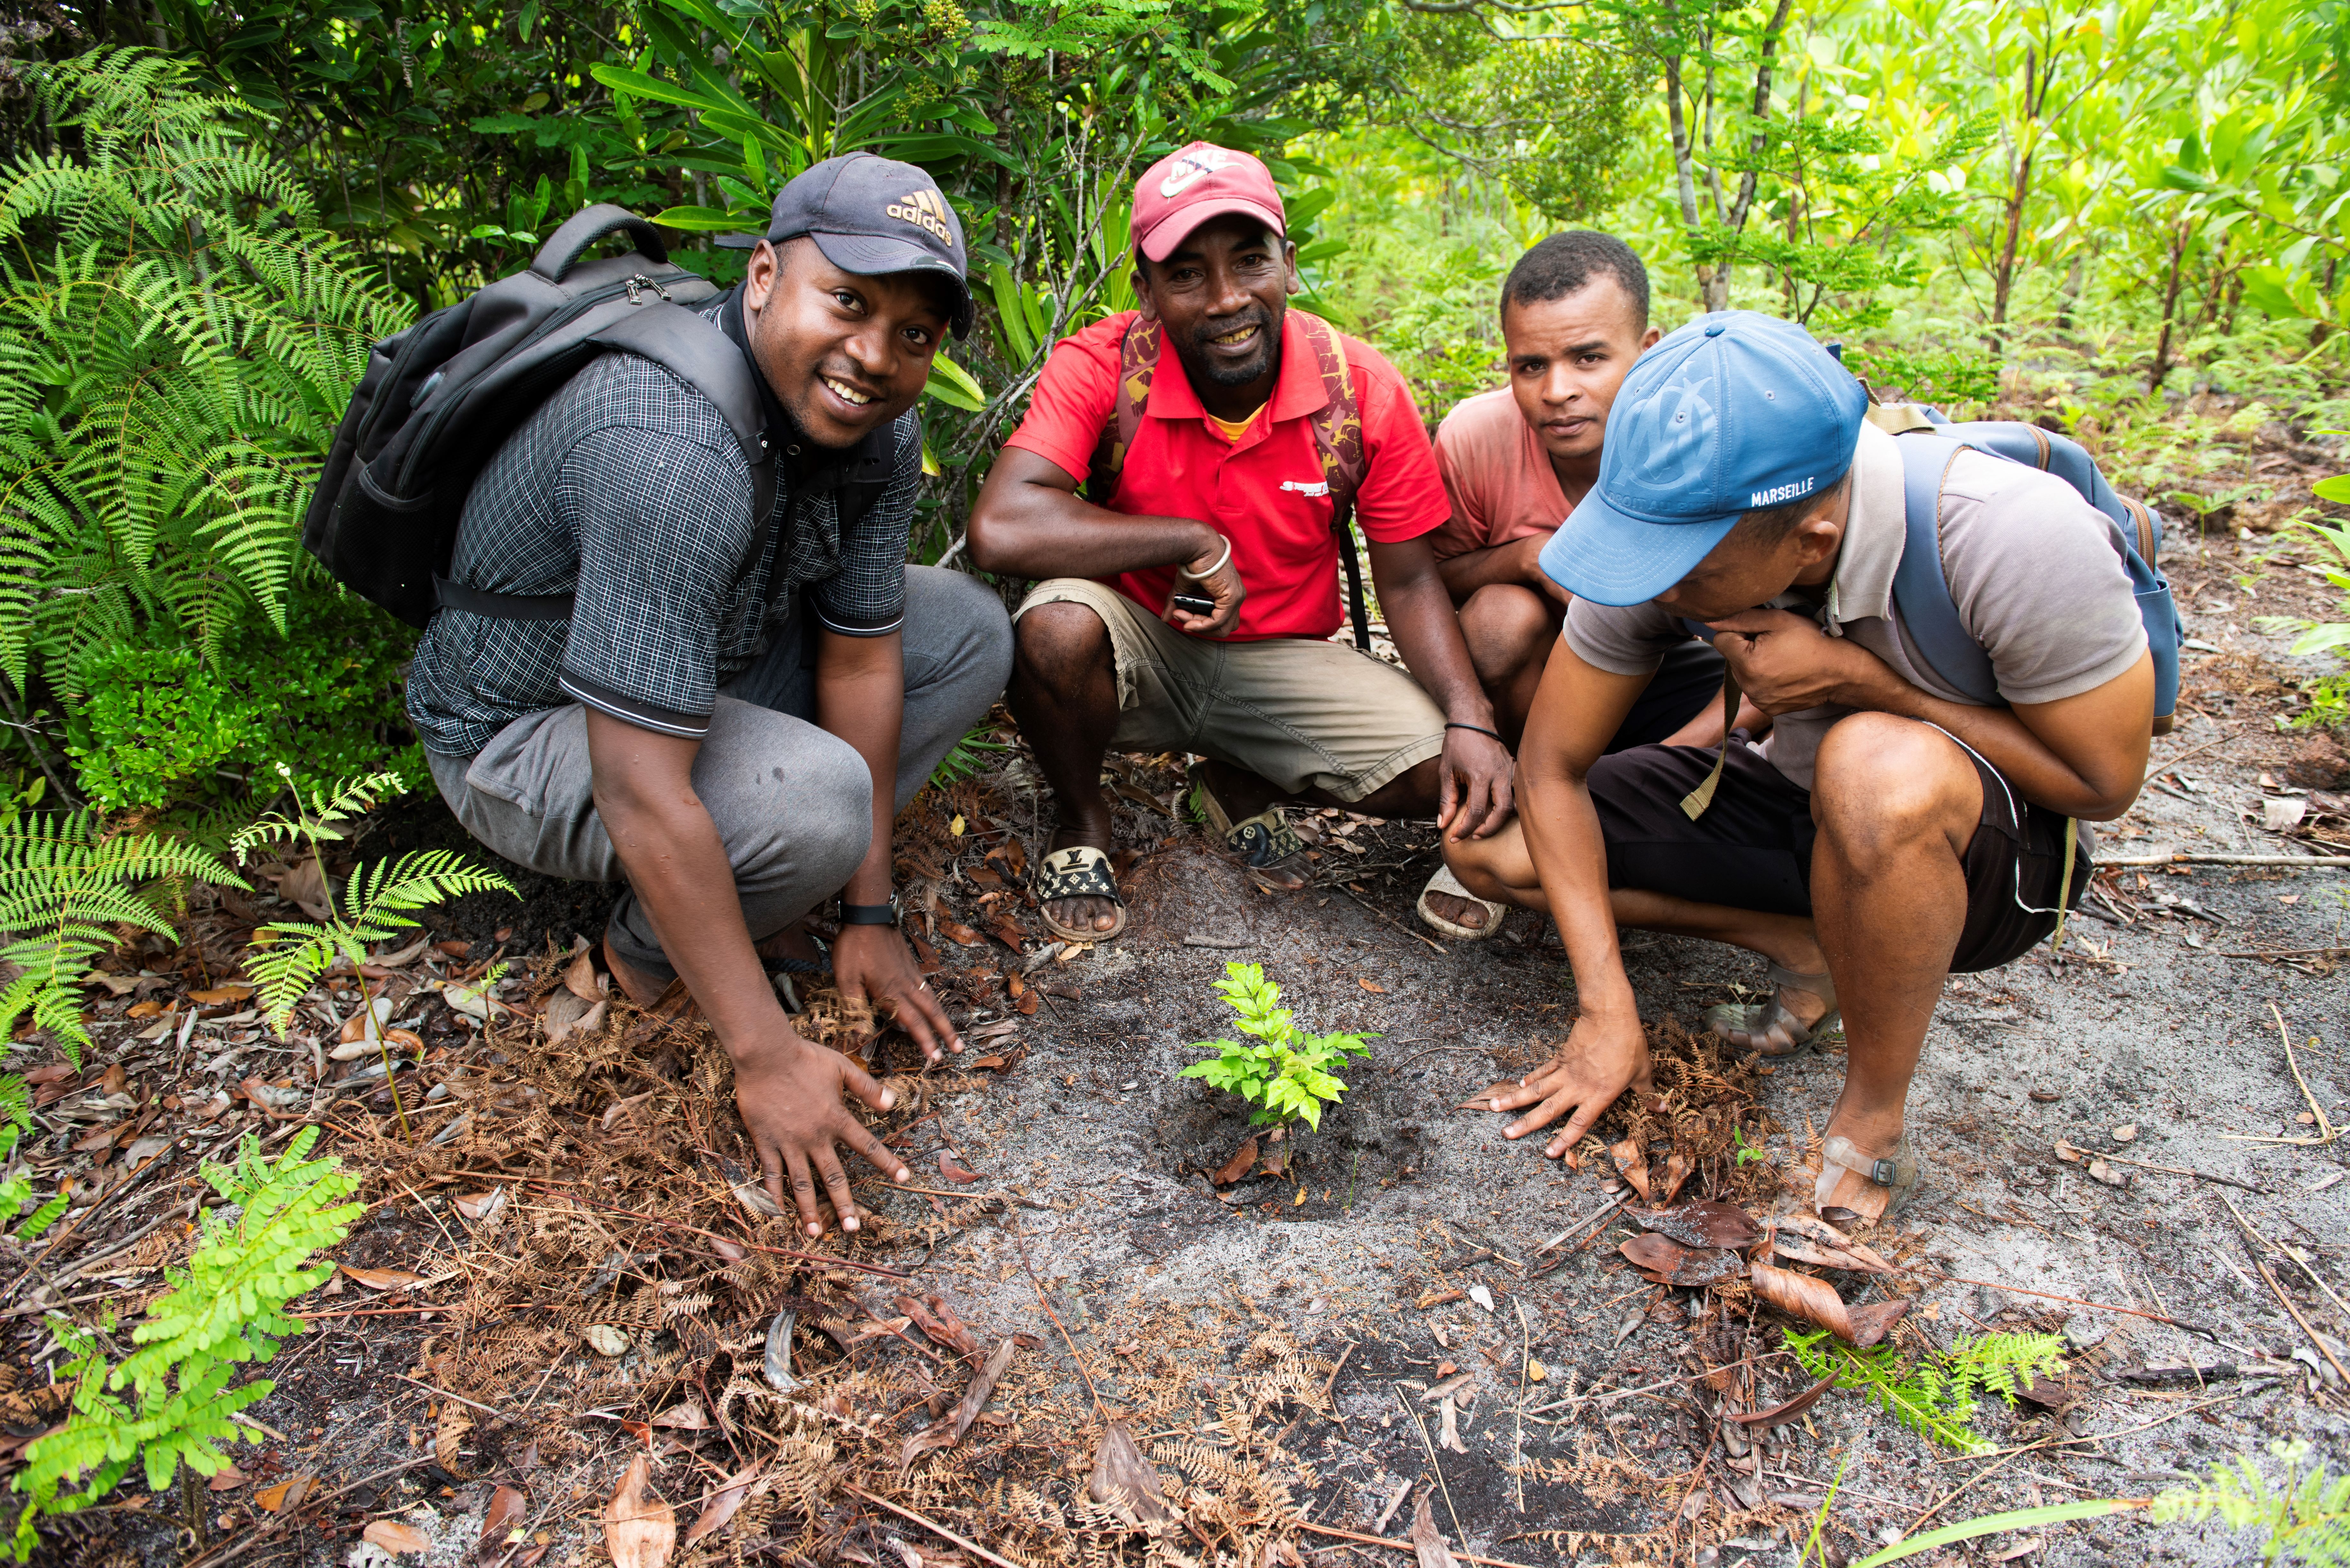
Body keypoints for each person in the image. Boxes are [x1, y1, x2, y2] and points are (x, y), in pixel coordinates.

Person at [406, 155, 1013, 1238]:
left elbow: (866, 657)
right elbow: (640, 788)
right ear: (767, 274)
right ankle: (632, 968)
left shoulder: (877, 427)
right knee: (815, 803)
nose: (875, 356)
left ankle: (768, 891)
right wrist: (768, 1057)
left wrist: (867, 912)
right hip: (524, 727)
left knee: (965, 631)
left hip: (698, 665)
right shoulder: (669, 440)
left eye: (915, 333)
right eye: (849, 302)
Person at [1445, 310, 2153, 1223]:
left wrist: (1867, 683)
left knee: (1871, 764)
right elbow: (1550, 771)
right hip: (1789, 791)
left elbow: (2101, 785)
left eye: (1683, 574)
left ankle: (1870, 1119)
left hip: (1984, 857)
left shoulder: (2010, 536)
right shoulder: (1678, 526)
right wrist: (1605, 1005)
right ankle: (1815, 945)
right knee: (1492, 839)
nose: (1656, 590)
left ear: (1811, 544)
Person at [965, 141, 1514, 945]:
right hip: (1138, 643)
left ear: (1289, 266)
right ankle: (1084, 819)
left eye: (1249, 260)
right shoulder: (1103, 366)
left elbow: (1407, 580)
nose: (1225, 299)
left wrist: (1471, 717)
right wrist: (1189, 539)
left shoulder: (1358, 389)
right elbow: (1001, 524)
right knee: (1053, 626)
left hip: (1284, 661)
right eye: (1186, 273)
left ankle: (1235, 778)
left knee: (1446, 771)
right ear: (1145, 291)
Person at [1415, 232, 1754, 940]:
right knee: (1498, 618)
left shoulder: (1711, 446)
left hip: (1685, 677)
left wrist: (1663, 768)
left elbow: (1780, 650)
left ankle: (1610, 815)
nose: (1557, 390)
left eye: (1588, 358)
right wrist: (1531, 558)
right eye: (1529, 365)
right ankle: (1508, 801)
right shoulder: (1476, 438)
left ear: (1650, 349)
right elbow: (1434, 579)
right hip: (1546, 684)